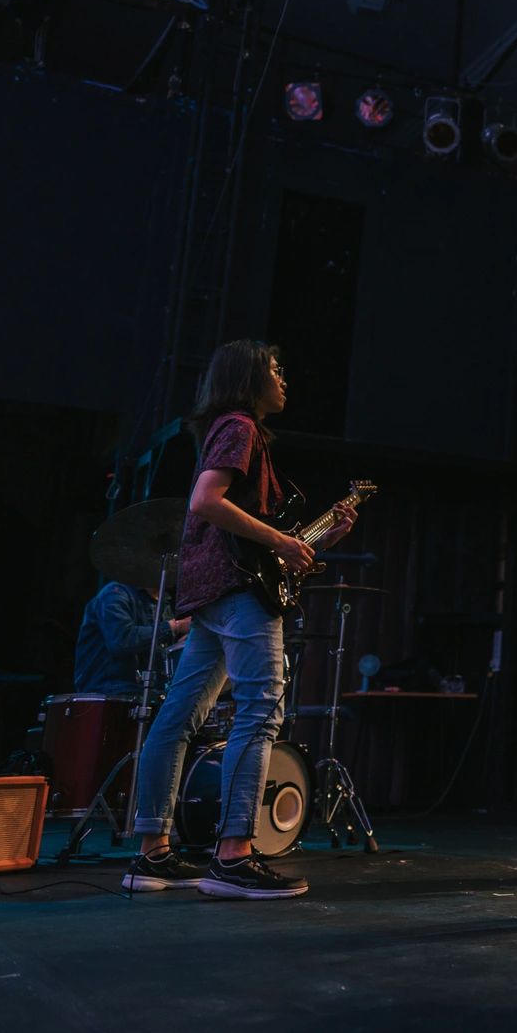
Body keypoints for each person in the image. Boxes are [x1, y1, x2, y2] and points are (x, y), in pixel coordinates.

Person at [120, 341, 354, 899]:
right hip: (234, 589)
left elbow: (240, 532)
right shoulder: (241, 427)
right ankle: (233, 855)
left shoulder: (227, 427)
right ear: (250, 378)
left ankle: (151, 852)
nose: (284, 376)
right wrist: (279, 540)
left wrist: (312, 540)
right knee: (260, 709)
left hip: (212, 591)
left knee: (179, 717)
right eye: (275, 368)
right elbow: (205, 501)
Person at [72, 576, 188, 698]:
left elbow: (161, 650)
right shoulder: (115, 594)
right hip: (109, 692)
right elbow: (121, 640)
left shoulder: (163, 602)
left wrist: (182, 644)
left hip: (149, 692)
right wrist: (176, 626)